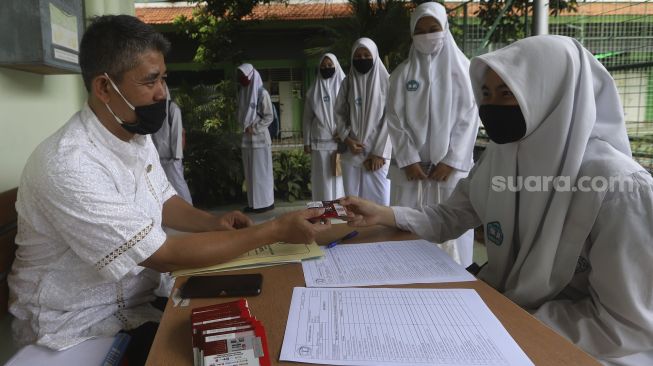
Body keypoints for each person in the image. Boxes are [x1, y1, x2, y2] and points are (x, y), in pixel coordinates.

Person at [7, 15, 329, 364]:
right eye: (150, 81)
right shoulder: (69, 163)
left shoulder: (132, 133)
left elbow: (163, 199)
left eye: (163, 78)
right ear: (104, 88)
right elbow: (163, 255)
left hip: (140, 299)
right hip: (79, 324)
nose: (162, 92)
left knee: (257, 322)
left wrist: (211, 223)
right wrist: (275, 230)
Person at [341, 35, 653, 365]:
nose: (493, 108)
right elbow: (450, 215)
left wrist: (508, 322)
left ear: (550, 94)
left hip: (579, 348)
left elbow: (627, 327)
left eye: (508, 94)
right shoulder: (500, 159)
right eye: (487, 95)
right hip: (502, 317)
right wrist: (386, 215)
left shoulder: (619, 188)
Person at [386, 2, 479, 266]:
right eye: (421, 30)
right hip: (411, 173)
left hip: (449, 173)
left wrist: (452, 160)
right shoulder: (401, 75)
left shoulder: (464, 71)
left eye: (433, 28)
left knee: (454, 233)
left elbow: (470, 116)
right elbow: (395, 118)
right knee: (407, 235)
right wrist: (409, 159)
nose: (427, 35)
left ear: (445, 28)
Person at [334, 38, 392, 205]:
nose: (362, 59)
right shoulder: (348, 82)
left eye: (367, 55)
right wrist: (347, 139)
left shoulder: (387, 82)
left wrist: (380, 153)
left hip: (376, 156)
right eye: (358, 55)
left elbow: (391, 119)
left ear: (374, 56)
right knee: (353, 202)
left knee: (379, 203)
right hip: (351, 153)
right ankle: (356, 232)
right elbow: (339, 113)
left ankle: (379, 233)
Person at [303, 53, 346, 201]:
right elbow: (307, 118)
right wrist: (306, 143)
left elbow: (352, 113)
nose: (326, 68)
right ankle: (323, 210)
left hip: (340, 141)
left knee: (340, 178)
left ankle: (340, 209)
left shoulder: (346, 86)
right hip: (319, 141)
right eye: (323, 66)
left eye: (329, 66)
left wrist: (345, 132)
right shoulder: (313, 91)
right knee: (321, 178)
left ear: (336, 67)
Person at [237, 63, 275, 213]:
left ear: (251, 76)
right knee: (250, 173)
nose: (242, 78)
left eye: (244, 75)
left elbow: (269, 116)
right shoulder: (242, 92)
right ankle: (253, 203)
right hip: (247, 139)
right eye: (240, 76)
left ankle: (265, 203)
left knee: (261, 173)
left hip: (259, 139)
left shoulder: (261, 93)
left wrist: (255, 128)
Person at [151, 85, 193, 205]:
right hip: (158, 158)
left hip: (171, 158)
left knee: (179, 185)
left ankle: (190, 211)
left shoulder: (172, 108)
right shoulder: (153, 110)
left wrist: (176, 157)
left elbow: (177, 133)